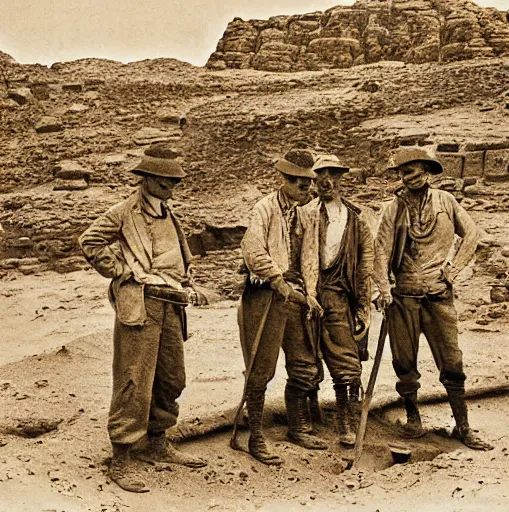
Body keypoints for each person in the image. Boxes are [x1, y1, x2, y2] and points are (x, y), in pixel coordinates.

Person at [79, 148, 207, 493]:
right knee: (134, 379)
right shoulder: (123, 212)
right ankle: (121, 456)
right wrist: (121, 271)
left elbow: (180, 258)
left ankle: (157, 441)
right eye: (165, 180)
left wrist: (189, 281)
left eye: (174, 181)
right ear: (148, 178)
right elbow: (89, 241)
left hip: (172, 305)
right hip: (141, 306)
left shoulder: (169, 213)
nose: (171, 186)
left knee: (171, 377)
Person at [373, 147, 493, 450]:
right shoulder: (393, 209)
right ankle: (413, 419)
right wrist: (382, 289)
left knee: (452, 362)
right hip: (403, 298)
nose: (408, 177)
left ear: (427, 171)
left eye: (414, 171)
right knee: (404, 362)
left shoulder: (446, 202)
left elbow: (472, 233)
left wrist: (454, 268)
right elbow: (380, 251)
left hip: (438, 296)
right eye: (403, 172)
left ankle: (463, 426)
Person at [238, 148, 326, 466]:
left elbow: (308, 257)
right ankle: (255, 436)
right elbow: (252, 251)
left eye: (309, 183)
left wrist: (308, 293)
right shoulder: (264, 209)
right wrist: (277, 281)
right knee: (261, 369)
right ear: (284, 180)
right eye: (300, 184)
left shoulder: (302, 213)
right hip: (265, 295)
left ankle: (298, 428)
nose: (307, 189)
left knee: (304, 364)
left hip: (295, 296)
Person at [299, 154, 374, 447]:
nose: (327, 181)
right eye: (320, 175)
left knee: (345, 356)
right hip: (308, 292)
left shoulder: (355, 217)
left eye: (333, 174)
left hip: (339, 294)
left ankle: (345, 417)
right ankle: (309, 411)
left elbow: (366, 262)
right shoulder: (305, 213)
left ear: (342, 177)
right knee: (306, 353)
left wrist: (364, 304)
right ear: (313, 179)